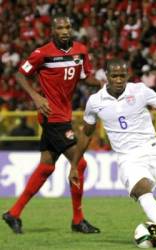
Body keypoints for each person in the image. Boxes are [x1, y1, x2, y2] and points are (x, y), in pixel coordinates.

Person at [69, 59, 156, 242]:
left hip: (152, 149)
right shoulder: (95, 102)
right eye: (114, 76)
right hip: (128, 157)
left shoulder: (140, 90)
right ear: (106, 77)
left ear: (127, 76)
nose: (118, 80)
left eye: (122, 76)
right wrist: (74, 165)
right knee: (141, 190)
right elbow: (86, 134)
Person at [2, 14, 101, 234]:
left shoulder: (80, 50)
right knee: (80, 163)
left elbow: (85, 76)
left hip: (63, 115)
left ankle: (14, 213)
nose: (65, 31)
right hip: (52, 116)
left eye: (68, 27)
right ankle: (78, 220)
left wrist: (104, 83)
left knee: (46, 165)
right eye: (60, 28)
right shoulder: (42, 53)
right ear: (53, 31)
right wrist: (36, 97)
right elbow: (20, 75)